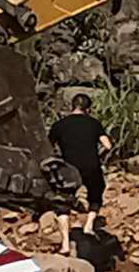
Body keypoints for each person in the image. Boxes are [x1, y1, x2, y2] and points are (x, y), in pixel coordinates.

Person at [48, 93, 112, 256]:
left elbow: (48, 147)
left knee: (62, 202)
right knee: (96, 193)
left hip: (69, 168)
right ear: (88, 109)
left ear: (72, 106)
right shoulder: (94, 123)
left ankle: (65, 244)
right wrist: (98, 155)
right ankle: (89, 225)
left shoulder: (59, 125)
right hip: (91, 165)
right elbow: (108, 145)